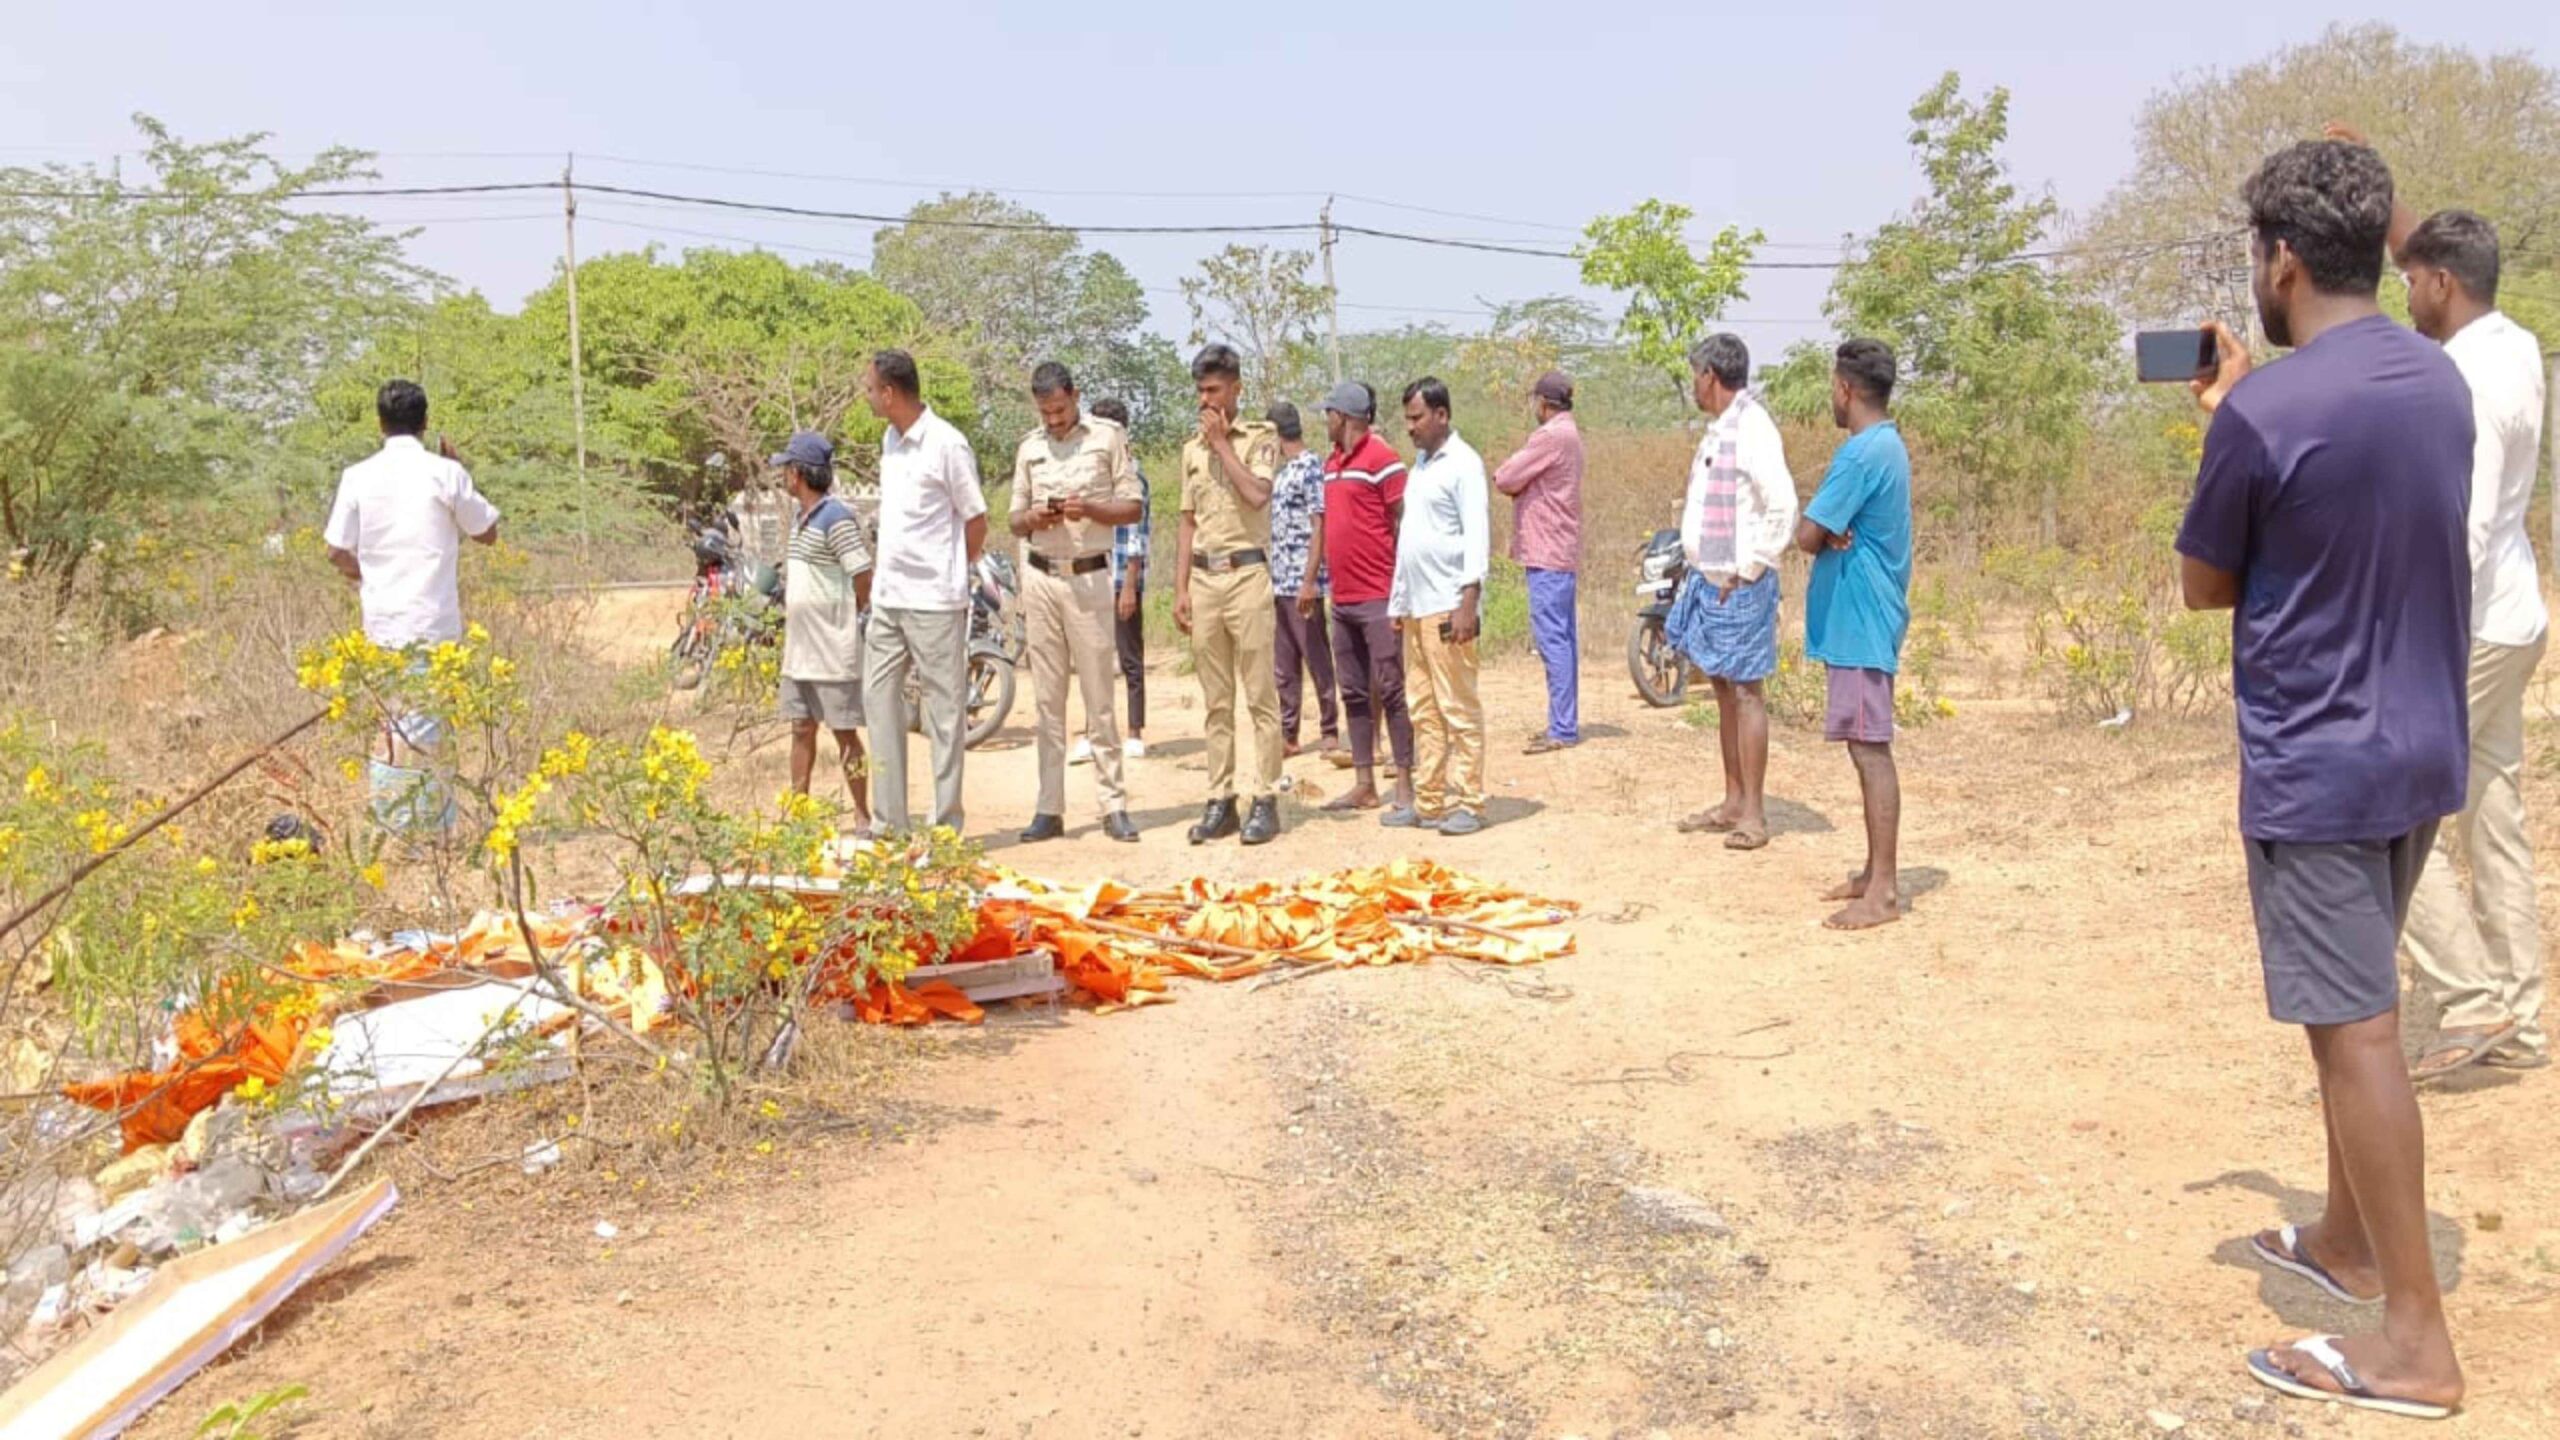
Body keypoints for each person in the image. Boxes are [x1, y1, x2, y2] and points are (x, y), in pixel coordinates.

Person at [2176, 139, 2470, 1420]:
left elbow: (2206, 583)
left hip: (2318, 762)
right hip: (2416, 743)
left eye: (2256, 252)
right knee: (2349, 1012)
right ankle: (2350, 1246)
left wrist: (2222, 425)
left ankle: (2414, 1342)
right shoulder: (2438, 379)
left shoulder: (2264, 410)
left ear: (2282, 260)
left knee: (2355, 1034)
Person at [2396, 211, 2548, 1082]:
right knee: (2492, 820)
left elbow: (2469, 522)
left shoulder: (2465, 380)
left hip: (2471, 624)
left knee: (2392, 810)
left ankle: (2469, 997)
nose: (2407, 295)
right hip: (2516, 614)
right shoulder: (2515, 345)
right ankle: (2519, 1023)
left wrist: (2413, 635)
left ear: (2442, 284)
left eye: (2411, 280)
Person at [324, 379, 500, 834]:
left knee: (391, 726)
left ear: (379, 424)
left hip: (381, 628)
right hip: (434, 628)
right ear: (424, 422)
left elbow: (336, 551)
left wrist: (369, 577)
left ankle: (396, 829)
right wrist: (461, 474)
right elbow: (487, 533)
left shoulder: (357, 476)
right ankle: (426, 835)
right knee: (431, 731)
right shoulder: (445, 473)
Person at [1793, 339, 1911, 930]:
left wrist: (1818, 525)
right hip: (1863, 618)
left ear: (1844, 389)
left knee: (1870, 748)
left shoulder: (1861, 455)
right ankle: (1874, 873)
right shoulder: (1885, 445)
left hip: (1862, 621)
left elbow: (1808, 534)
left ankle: (1884, 891)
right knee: (1863, 745)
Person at [1669, 335, 1796, 852]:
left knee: (1745, 693)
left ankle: (1755, 815)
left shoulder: (1753, 428)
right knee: (1722, 689)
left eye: (1696, 374)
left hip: (1738, 584)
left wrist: (1751, 568)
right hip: (1710, 579)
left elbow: (1781, 506)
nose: (1694, 384)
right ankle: (1732, 800)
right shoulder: (1720, 431)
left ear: (1711, 375)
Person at [1008, 363, 1144, 844]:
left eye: (1060, 410)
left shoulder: (1107, 439)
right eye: (1045, 413)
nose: (1053, 420)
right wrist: (1035, 517)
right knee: (1047, 701)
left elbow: (1133, 507)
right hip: (1041, 578)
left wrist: (1090, 509)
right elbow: (1014, 520)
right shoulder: (1029, 447)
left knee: (1099, 700)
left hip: (1090, 577)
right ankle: (1049, 808)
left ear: (1075, 396)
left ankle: (1113, 805)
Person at [860, 348, 988, 836]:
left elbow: (976, 520)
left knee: (944, 714)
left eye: (870, 389)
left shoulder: (947, 445)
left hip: (934, 602)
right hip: (889, 600)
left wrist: (953, 570)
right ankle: (889, 825)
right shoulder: (890, 441)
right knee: (879, 703)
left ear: (890, 393)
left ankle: (944, 828)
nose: (868, 397)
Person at [1174, 344, 1284, 846]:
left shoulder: (1260, 438)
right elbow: (1186, 521)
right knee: (1217, 701)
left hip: (1247, 576)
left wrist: (1222, 445)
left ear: (1236, 389)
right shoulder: (1189, 448)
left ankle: (1265, 798)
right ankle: (1221, 800)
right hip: (1204, 580)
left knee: (1260, 693)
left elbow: (1258, 494)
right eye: (1200, 391)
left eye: (1214, 390)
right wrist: (1179, 588)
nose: (1206, 401)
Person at [1303, 381, 1416, 815]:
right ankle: (1364, 782)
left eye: (1328, 412)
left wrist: (1399, 591)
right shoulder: (1332, 463)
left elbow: (1403, 521)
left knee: (1391, 688)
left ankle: (1404, 782)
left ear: (1345, 416)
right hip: (1343, 598)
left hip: (1378, 595)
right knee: (1352, 690)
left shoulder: (1383, 460)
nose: (1324, 420)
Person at [1388, 377, 1490, 836]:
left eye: (1417, 417)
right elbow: (1410, 539)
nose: (1410, 427)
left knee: (1457, 707)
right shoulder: (1422, 467)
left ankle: (1469, 800)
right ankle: (1428, 801)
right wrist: (1399, 600)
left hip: (1449, 605)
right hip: (1416, 607)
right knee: (1423, 708)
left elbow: (1476, 535)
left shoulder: (1463, 465)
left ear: (1442, 415)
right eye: (1407, 419)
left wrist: (1468, 600)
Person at [771, 431, 874, 834]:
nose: (783, 477)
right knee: (801, 727)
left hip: (832, 648)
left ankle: (863, 814)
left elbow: (861, 573)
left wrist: (855, 614)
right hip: (800, 650)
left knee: (845, 732)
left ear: (797, 473)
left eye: (786, 469)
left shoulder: (836, 518)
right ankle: (799, 815)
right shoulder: (802, 519)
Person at [1492, 370, 1585, 753]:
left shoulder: (1550, 436)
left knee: (1553, 640)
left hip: (1547, 549)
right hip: (1560, 548)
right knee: (1562, 637)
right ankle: (1563, 721)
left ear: (1543, 403)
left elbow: (1505, 477)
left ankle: (1562, 727)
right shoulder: (1571, 434)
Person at [1265, 400, 1342, 759]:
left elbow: (1319, 522)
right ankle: (1288, 731)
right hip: (1279, 580)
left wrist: (1310, 580)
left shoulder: (1311, 467)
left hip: (1301, 579)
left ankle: (1329, 728)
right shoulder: (1281, 473)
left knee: (1316, 656)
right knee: (1284, 662)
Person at [1086, 397, 1150, 763]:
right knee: (1094, 657)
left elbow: (1136, 535)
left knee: (1130, 656)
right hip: (1095, 575)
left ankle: (1135, 730)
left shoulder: (1132, 475)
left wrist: (1129, 584)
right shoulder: (1095, 476)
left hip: (1123, 577)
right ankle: (1095, 730)